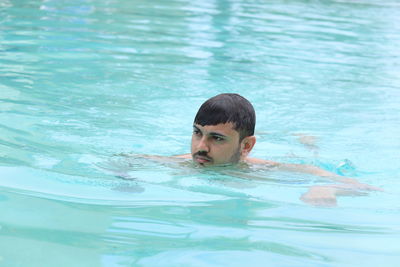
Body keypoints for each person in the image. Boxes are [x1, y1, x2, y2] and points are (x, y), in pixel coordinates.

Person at [173, 93, 381, 206]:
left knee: (311, 151)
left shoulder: (266, 171)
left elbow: (365, 187)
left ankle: (307, 141)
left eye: (217, 138)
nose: (201, 147)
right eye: (197, 133)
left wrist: (327, 187)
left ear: (246, 146)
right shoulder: (182, 162)